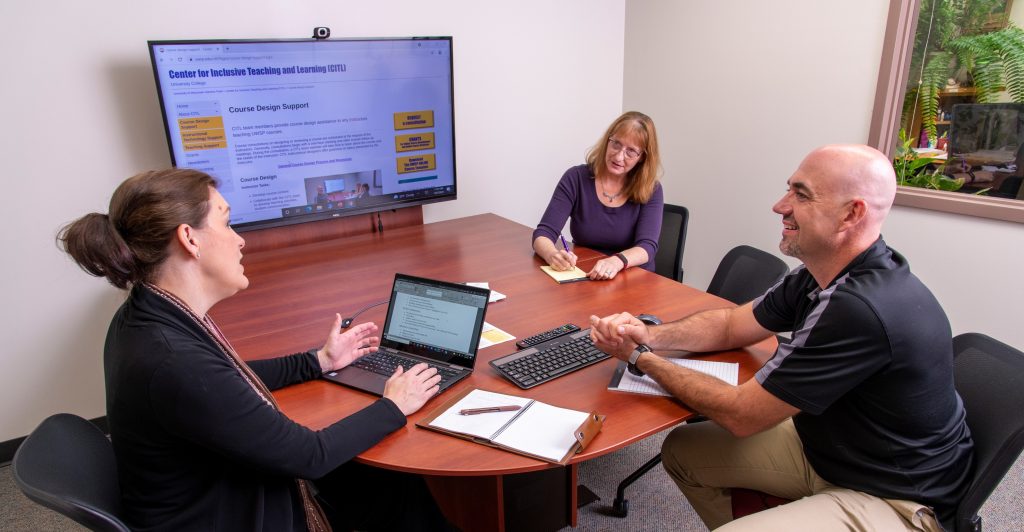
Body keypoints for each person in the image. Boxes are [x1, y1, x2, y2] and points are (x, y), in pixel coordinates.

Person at [589, 145, 974, 531]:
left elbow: (741, 415)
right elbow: (731, 325)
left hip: (897, 495)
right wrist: (650, 335)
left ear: (851, 213)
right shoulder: (820, 271)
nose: (780, 205)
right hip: (833, 448)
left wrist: (640, 357)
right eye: (789, 189)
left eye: (801, 194)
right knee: (685, 451)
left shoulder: (859, 308)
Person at [57, 169, 450, 531]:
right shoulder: (173, 362)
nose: (240, 239)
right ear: (189, 239)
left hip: (205, 493)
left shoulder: (146, 314)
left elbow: (227, 382)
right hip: (226, 516)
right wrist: (393, 405)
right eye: (227, 223)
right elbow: (308, 455)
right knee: (391, 483)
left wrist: (319, 361)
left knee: (383, 480)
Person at [532, 111, 664, 280]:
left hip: (632, 279)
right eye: (616, 144)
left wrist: (616, 261)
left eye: (631, 151)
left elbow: (648, 247)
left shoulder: (651, 189)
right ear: (607, 141)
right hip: (587, 275)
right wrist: (552, 255)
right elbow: (543, 232)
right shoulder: (576, 178)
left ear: (642, 158)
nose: (618, 156)